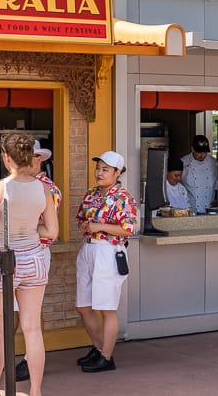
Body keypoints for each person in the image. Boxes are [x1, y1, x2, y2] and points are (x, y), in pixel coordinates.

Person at [0, 132, 58, 396]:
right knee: (32, 328)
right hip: (35, 257)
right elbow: (52, 231)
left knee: (1, 329)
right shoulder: (44, 188)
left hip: (6, 261)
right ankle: (36, 391)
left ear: (6, 158)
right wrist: (30, 228)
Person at [75, 151, 137, 373]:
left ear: (117, 172)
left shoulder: (123, 198)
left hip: (108, 252)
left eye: (105, 169)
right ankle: (99, 348)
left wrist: (99, 227)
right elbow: (82, 218)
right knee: (83, 306)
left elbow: (129, 229)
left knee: (107, 308)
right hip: (88, 249)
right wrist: (85, 226)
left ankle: (106, 356)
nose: (99, 173)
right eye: (98, 168)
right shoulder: (91, 194)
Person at [15, 140, 61, 382]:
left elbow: (50, 229)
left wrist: (17, 224)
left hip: (35, 253)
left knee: (30, 316)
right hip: (18, 254)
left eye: (29, 157)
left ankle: (27, 361)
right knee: (18, 315)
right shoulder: (18, 185)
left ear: (39, 159)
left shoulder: (47, 188)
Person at [180, 134, 218, 214]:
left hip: (210, 210)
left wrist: (217, 199)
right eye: (199, 152)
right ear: (192, 149)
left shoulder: (214, 163)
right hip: (190, 210)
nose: (202, 155)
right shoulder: (183, 163)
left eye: (204, 152)